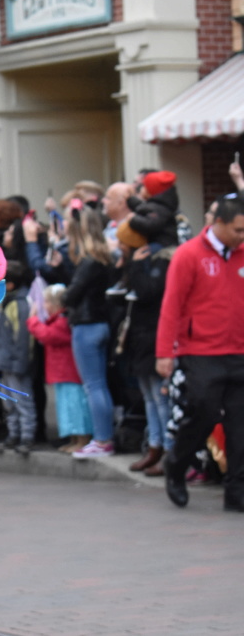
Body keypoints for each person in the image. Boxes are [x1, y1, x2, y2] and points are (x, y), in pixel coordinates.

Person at [157, 195, 244, 511]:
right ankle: (176, 465)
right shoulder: (189, 254)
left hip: (240, 351)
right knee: (204, 413)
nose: (241, 236)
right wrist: (165, 351)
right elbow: (172, 305)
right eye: (237, 230)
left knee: (239, 425)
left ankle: (237, 492)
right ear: (218, 223)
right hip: (202, 351)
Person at [64, 201, 118, 458]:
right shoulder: (105, 256)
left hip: (87, 326)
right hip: (102, 323)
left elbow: (71, 295)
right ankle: (104, 438)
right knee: (100, 385)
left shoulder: (88, 261)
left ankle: (103, 440)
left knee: (93, 386)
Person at [122, 241, 176, 475]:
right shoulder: (146, 259)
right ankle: (155, 446)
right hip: (142, 337)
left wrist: (135, 266)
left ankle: (169, 450)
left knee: (160, 397)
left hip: (155, 335)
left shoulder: (164, 261)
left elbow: (146, 292)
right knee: (149, 397)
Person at [27, 284, 92, 453]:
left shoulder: (62, 322)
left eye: (47, 301)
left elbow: (47, 335)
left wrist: (32, 319)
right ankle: (74, 439)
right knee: (67, 408)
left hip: (68, 373)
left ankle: (83, 439)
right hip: (61, 374)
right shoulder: (57, 321)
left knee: (75, 407)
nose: (44, 305)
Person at [0, 261, 35, 455]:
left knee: (22, 400)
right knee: (9, 401)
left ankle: (27, 436)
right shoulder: (7, 301)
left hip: (16, 362)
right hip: (5, 359)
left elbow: (24, 339)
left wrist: (20, 362)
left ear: (10, 285)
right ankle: (13, 435)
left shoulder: (20, 304)